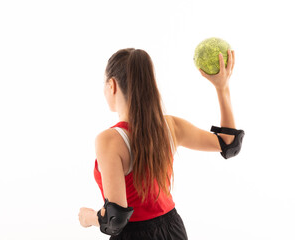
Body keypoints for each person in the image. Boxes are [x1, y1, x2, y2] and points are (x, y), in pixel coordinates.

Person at [78, 48, 242, 239]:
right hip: (173, 229)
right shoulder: (170, 126)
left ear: (112, 85)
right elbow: (229, 144)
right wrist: (222, 88)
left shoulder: (109, 140)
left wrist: (88, 217)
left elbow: (115, 220)